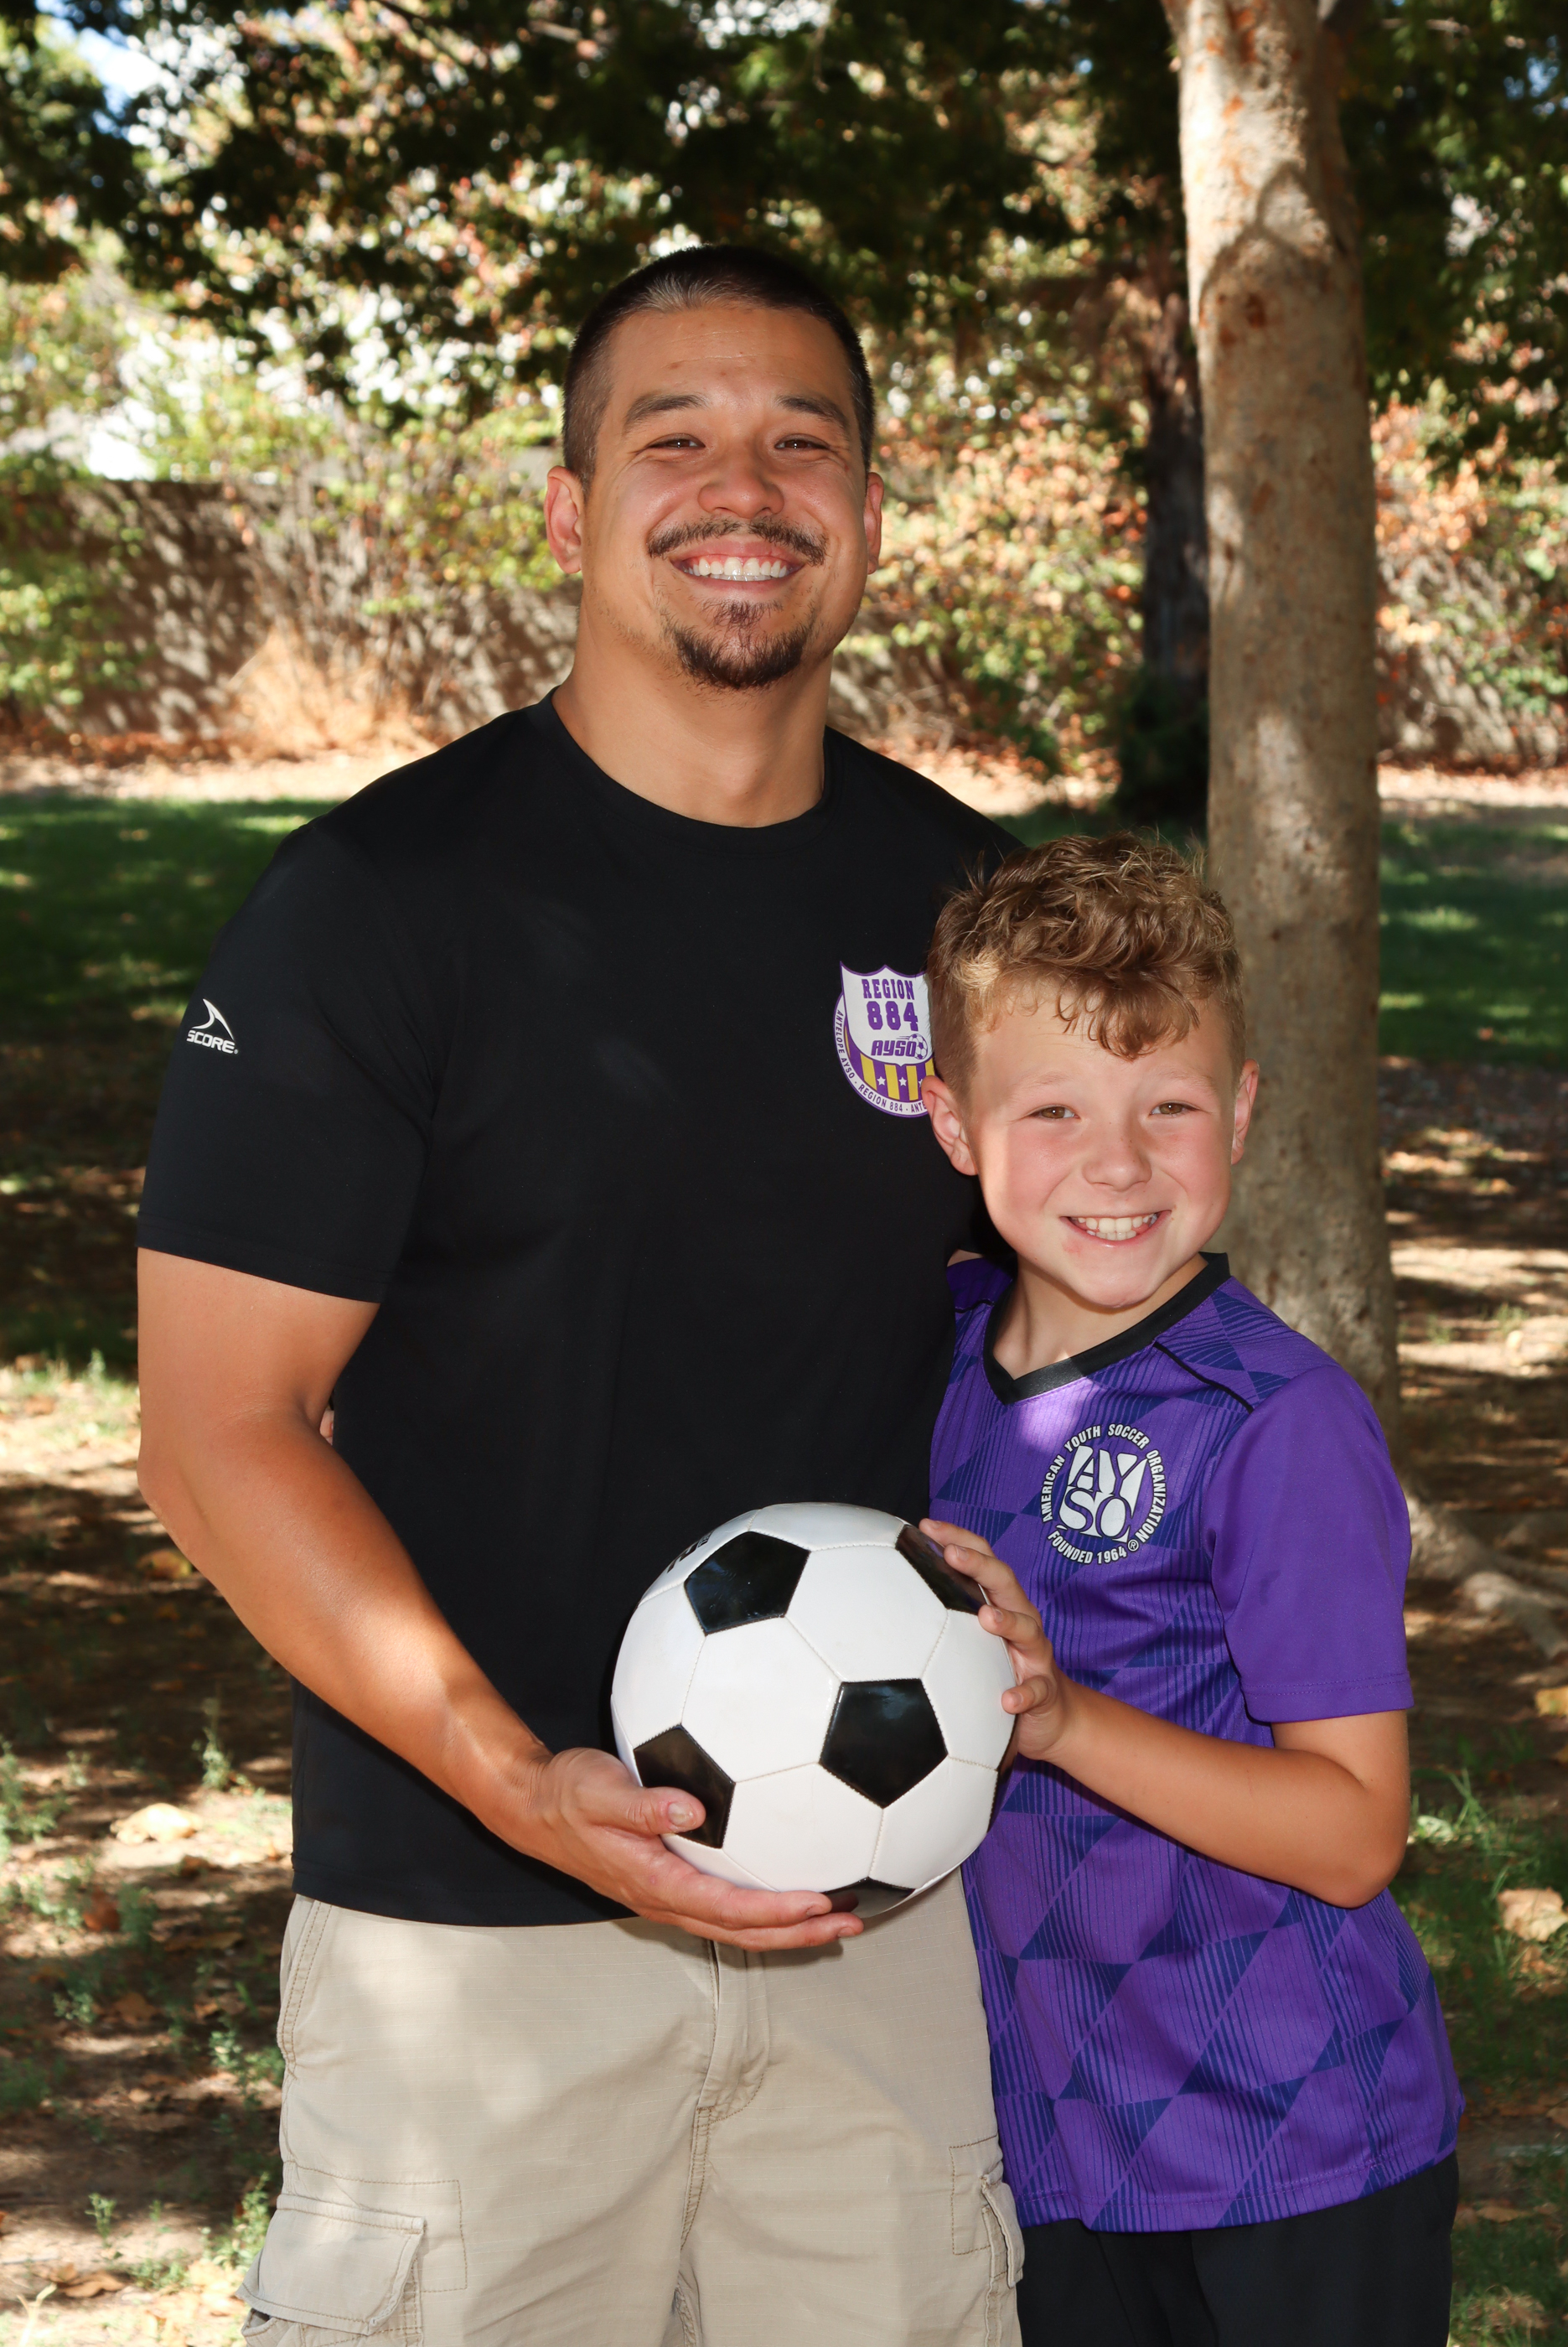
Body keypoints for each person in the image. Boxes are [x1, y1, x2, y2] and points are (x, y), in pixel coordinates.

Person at [135, 246, 1025, 2347]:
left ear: (869, 510)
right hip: (477, 1942)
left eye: (802, 440)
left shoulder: (971, 912)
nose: (746, 489)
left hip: (875, 1918)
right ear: (567, 508)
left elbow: (1070, 1324)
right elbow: (215, 1429)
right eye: (674, 438)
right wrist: (513, 1774)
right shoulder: (377, 909)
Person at [915, 835, 1462, 2347]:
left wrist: (1066, 1721)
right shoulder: (938, 1362)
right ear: (951, 1121)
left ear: (1243, 1110)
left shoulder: (1274, 1423)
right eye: (1054, 1110)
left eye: (1170, 1105)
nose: (1119, 1163)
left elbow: (1354, 1833)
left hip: (1290, 2146)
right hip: (1056, 2147)